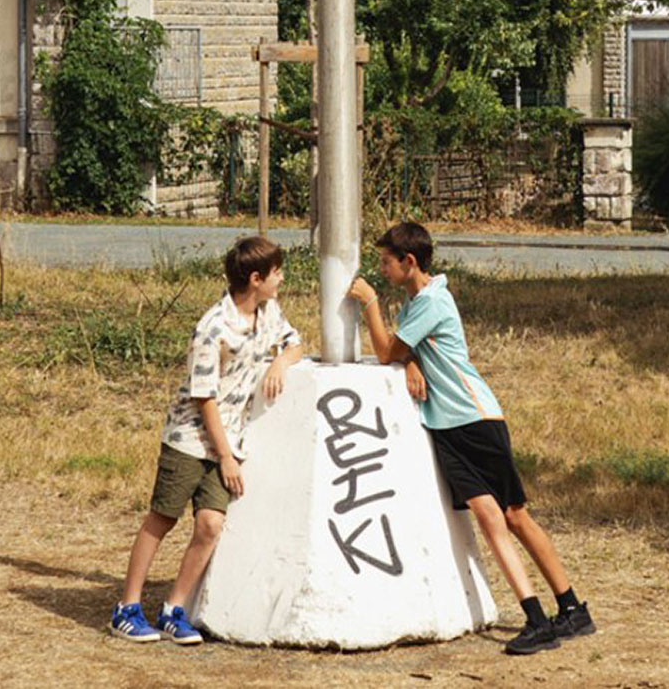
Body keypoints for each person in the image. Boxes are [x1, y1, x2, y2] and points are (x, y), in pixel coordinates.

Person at [348, 222, 595, 656]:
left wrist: (369, 303)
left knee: (515, 516)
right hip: (448, 428)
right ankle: (536, 618)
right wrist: (411, 363)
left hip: (474, 421)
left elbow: (387, 351)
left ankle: (571, 607)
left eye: (386, 262)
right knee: (489, 518)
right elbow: (406, 351)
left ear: (410, 262)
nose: (381, 269)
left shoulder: (432, 300)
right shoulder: (415, 303)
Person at [110, 236, 303, 644]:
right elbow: (204, 398)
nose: (282, 278)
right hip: (191, 439)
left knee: (211, 524)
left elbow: (295, 343)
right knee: (162, 518)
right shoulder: (212, 328)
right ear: (255, 279)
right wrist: (226, 457)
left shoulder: (268, 313)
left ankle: (174, 608)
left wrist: (279, 365)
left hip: (228, 442)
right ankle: (127, 607)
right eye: (276, 272)